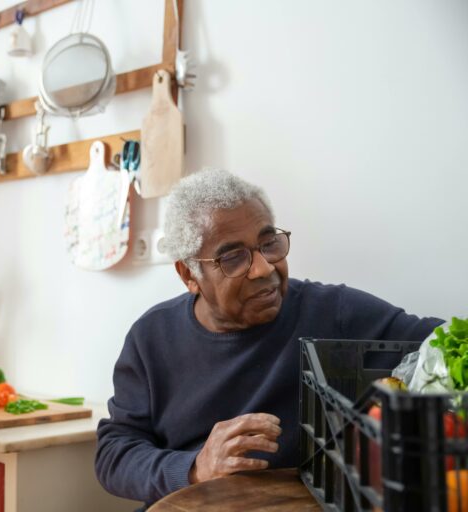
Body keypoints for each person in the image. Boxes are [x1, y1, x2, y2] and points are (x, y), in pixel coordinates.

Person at [95, 168, 443, 508]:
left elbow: (442, 343)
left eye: (269, 243)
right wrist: (196, 468)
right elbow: (115, 452)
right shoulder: (152, 338)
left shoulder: (333, 312)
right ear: (190, 274)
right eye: (232, 257)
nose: (263, 268)